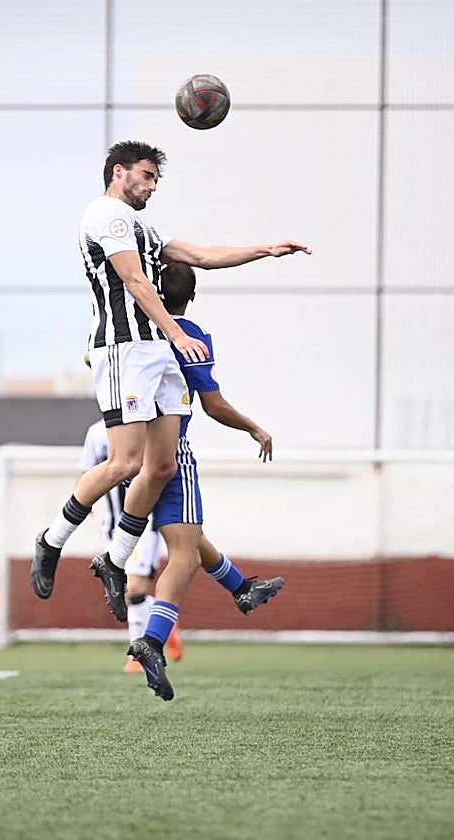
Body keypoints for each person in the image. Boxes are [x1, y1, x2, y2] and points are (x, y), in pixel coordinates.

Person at [32, 139, 310, 622]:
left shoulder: (140, 224)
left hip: (155, 353)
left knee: (160, 467)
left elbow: (197, 254)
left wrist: (262, 249)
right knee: (124, 463)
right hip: (125, 350)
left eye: (156, 178)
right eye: (147, 175)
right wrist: (176, 332)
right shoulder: (106, 215)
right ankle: (52, 540)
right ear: (119, 172)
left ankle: (114, 562)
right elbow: (137, 282)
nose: (152, 185)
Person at [118, 262, 286, 699]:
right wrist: (254, 427)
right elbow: (212, 404)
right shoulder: (188, 334)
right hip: (173, 456)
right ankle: (152, 641)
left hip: (132, 460)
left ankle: (242, 587)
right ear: (191, 296)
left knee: (189, 538)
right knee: (184, 557)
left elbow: (93, 357)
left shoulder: (133, 332)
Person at [79, 418, 182, 670]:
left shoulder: (147, 428)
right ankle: (165, 620)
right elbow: (86, 474)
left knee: (133, 589)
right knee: (124, 592)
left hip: (144, 525)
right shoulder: (95, 433)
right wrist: (80, 505)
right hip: (112, 528)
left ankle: (136, 656)